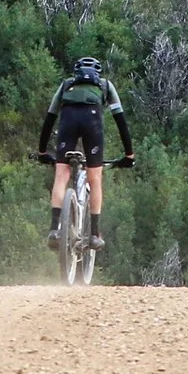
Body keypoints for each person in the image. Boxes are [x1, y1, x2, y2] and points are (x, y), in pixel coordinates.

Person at [36, 56, 133, 250]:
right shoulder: (105, 86)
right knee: (94, 178)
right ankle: (94, 235)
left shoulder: (66, 85)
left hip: (67, 122)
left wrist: (42, 150)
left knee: (61, 174)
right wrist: (129, 154)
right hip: (92, 122)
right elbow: (120, 120)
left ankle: (54, 229)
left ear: (76, 73)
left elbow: (50, 118)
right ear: (98, 73)